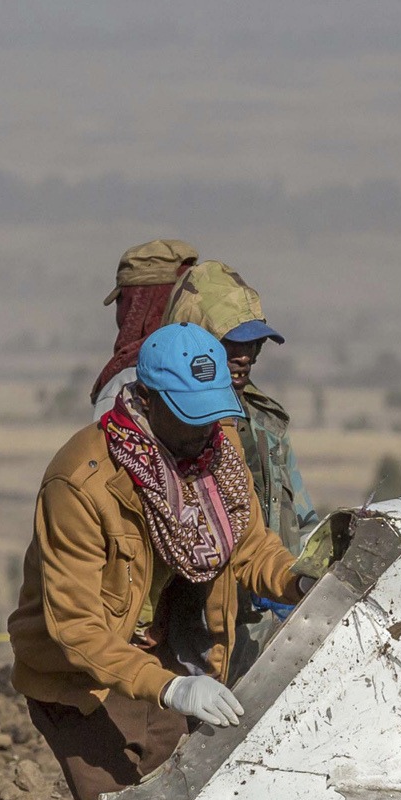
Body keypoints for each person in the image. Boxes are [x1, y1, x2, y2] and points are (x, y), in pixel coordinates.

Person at [10, 323, 308, 800]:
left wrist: (300, 581)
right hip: (82, 680)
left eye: (212, 415)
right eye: (189, 416)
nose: (203, 431)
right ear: (147, 401)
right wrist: (172, 688)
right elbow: (76, 628)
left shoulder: (216, 453)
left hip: (159, 654)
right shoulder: (81, 483)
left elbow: (250, 547)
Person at [161, 260, 322, 675]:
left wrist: (303, 576)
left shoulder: (264, 420)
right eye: (230, 344)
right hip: (193, 630)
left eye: (254, 345)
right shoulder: (165, 427)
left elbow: (298, 516)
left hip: (268, 622)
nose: (245, 356)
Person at [91, 238, 199, 412]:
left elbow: (107, 438)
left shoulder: (128, 383)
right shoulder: (212, 368)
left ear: (135, 305)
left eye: (122, 301)